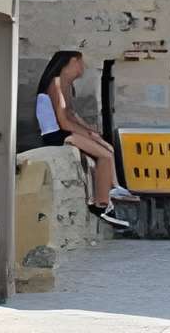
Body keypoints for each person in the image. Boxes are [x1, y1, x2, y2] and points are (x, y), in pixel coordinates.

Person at [31, 49, 133, 229]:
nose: (83, 67)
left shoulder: (66, 86)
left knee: (106, 148)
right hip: (54, 135)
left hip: (63, 131)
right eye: (79, 62)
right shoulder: (55, 84)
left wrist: (91, 131)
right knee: (105, 156)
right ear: (68, 64)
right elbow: (63, 121)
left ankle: (113, 187)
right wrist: (86, 134)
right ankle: (102, 205)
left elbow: (72, 115)